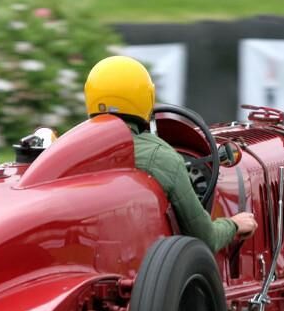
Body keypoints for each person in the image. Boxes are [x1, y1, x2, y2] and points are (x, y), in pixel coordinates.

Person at [82, 56, 257, 253]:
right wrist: (232, 225)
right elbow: (204, 238)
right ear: (146, 96)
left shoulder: (73, 151)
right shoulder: (162, 157)